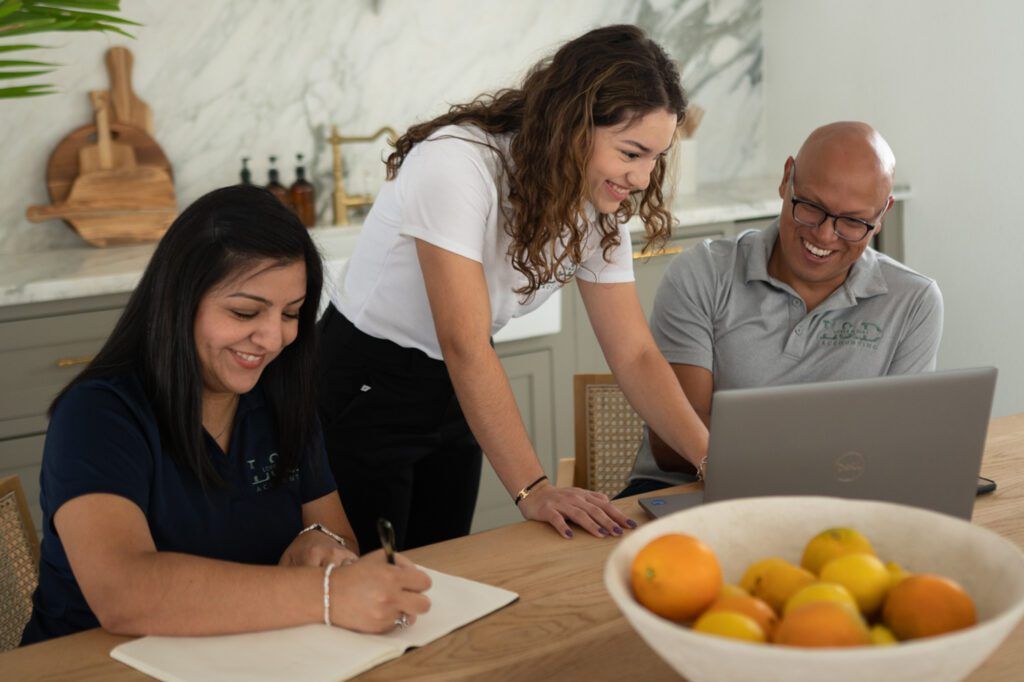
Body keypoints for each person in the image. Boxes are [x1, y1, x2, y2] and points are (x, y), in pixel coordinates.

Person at [318, 24, 709, 551]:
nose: (641, 178)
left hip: (457, 388)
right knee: (366, 582)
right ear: (572, 125)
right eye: (631, 152)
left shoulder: (598, 203)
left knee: (442, 569)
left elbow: (636, 354)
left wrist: (714, 461)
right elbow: (463, 342)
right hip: (366, 382)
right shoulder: (457, 163)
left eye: (655, 159)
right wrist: (536, 489)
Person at [21, 186, 431, 645]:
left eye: (291, 314)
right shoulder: (98, 416)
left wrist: (321, 546)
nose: (273, 339)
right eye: (245, 312)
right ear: (180, 301)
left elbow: (337, 535)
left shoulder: (279, 396)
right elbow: (124, 592)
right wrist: (326, 593)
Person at [621, 121, 944, 495]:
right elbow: (674, 443)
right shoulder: (703, 273)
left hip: (835, 497)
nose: (823, 235)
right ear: (787, 178)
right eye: (810, 207)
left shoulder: (914, 303)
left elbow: (899, 448)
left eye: (853, 222)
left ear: (882, 213)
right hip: (686, 491)